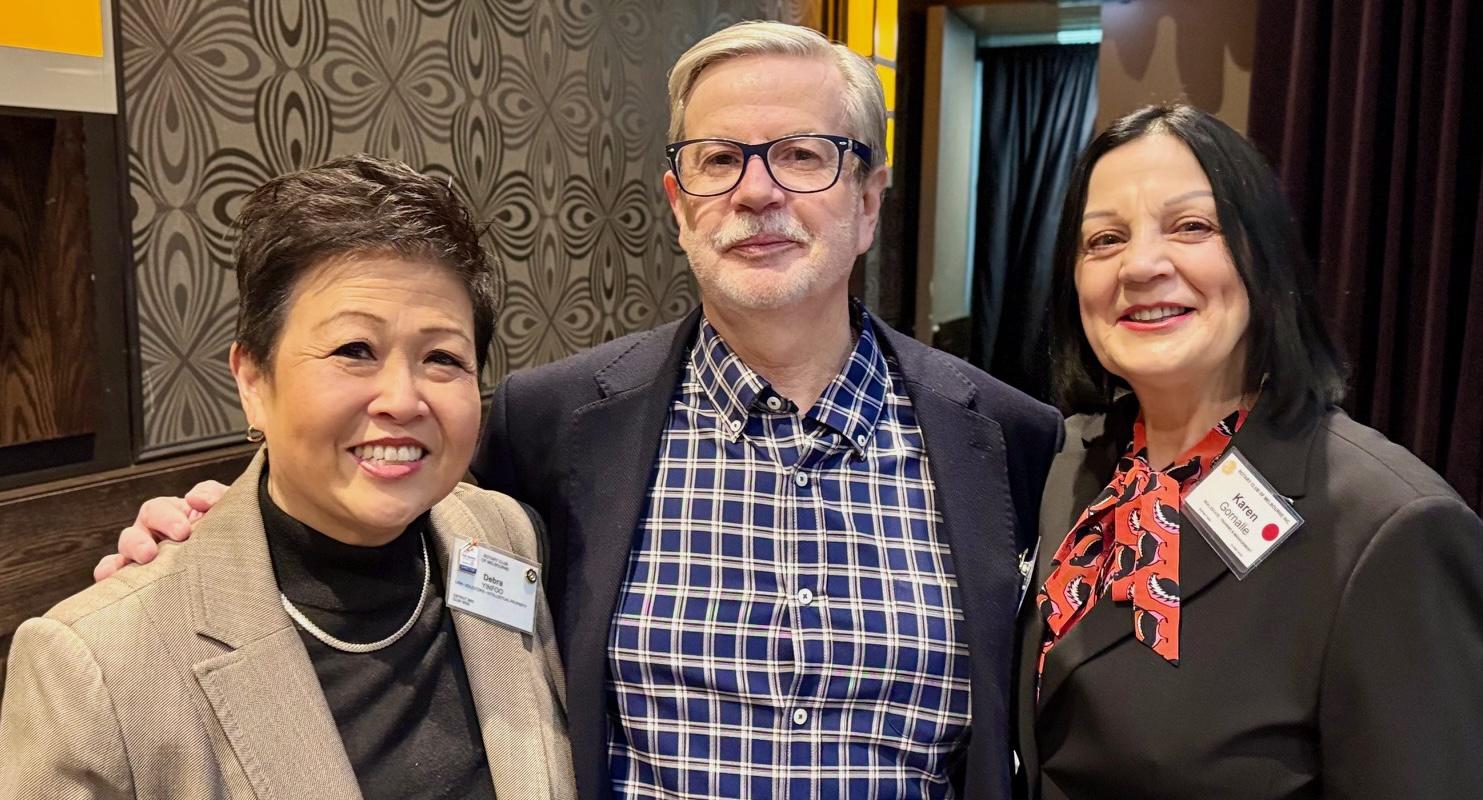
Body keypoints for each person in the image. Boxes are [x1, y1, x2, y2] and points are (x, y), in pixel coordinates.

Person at [97, 21, 1064, 800]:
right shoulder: (550, 422)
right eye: (719, 159)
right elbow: (383, 505)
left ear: (868, 200)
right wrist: (220, 529)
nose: (756, 191)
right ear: (678, 204)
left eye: (803, 155)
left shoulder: (1007, 438)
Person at [1, 155, 576, 799]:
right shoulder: (97, 663)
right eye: (354, 350)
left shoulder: (505, 535)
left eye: (442, 357)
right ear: (253, 381)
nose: (402, 399)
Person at [1013, 104, 1483, 799]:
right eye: (1105, 239)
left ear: (1264, 257)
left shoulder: (1392, 530)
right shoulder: (1059, 465)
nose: (1141, 266)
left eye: (1191, 227)